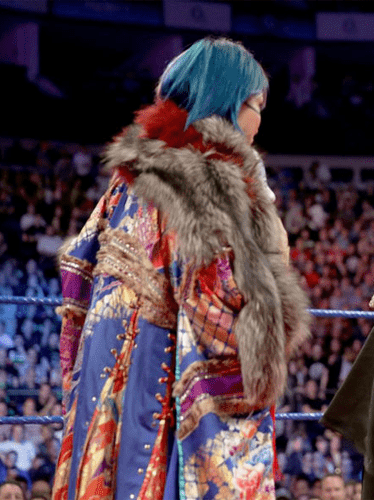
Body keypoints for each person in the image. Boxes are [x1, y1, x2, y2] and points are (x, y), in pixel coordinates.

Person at [53, 37, 310, 499]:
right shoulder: (209, 179)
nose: (258, 122)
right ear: (227, 101)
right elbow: (223, 300)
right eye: (256, 106)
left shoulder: (132, 176)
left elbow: (81, 270)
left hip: (107, 359)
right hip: (162, 366)